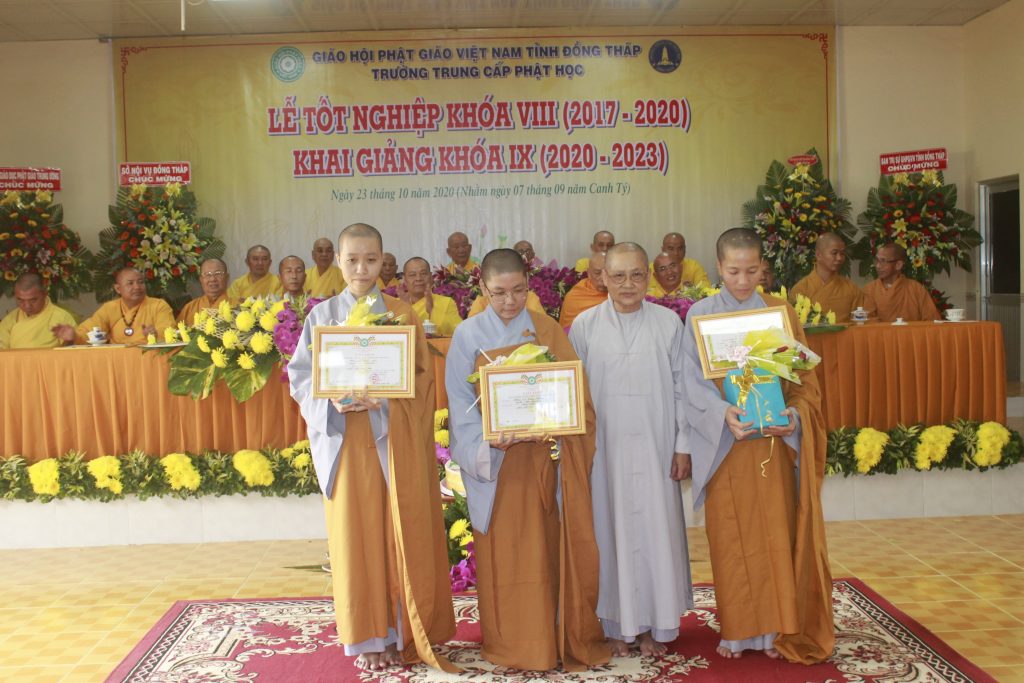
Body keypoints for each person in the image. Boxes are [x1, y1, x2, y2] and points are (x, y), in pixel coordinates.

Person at [288, 223, 456, 672]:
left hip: (392, 442)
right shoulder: (322, 317)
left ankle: (402, 631)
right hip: (347, 443)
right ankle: (366, 637)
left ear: (384, 261)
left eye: (370, 260)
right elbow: (300, 378)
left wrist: (388, 400)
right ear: (338, 262)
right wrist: (331, 400)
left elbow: (422, 381)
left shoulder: (402, 315)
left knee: (398, 534)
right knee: (356, 538)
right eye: (352, 260)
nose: (361, 270)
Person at [446, 248, 609, 671]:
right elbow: (460, 408)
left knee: (545, 554)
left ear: (529, 285)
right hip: (497, 468)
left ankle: (550, 639)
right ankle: (510, 644)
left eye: (518, 291)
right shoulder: (467, 336)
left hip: (544, 463)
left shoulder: (546, 329)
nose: (509, 301)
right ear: (482, 287)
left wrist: (556, 424)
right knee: (505, 558)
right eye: (499, 293)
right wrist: (489, 444)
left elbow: (578, 399)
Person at [681, 228, 834, 663]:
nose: (743, 281)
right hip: (727, 446)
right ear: (718, 267)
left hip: (772, 445)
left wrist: (794, 417)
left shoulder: (779, 314)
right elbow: (690, 383)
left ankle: (777, 628)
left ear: (763, 267)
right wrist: (721, 413)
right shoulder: (700, 316)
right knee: (732, 539)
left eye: (752, 271)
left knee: (774, 536)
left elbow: (804, 383)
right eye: (733, 271)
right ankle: (738, 631)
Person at [569, 243, 694, 657]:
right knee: (609, 534)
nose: (628, 284)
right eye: (618, 275)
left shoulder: (668, 323)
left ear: (648, 277)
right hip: (604, 453)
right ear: (603, 277)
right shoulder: (585, 326)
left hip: (658, 448)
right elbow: (574, 395)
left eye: (637, 275)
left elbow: (683, 387)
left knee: (657, 533)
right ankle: (614, 625)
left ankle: (657, 625)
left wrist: (682, 445)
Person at [54, 267, 175, 345]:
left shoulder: (158, 306)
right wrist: (74, 336)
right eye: (130, 283)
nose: (137, 287)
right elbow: (90, 330)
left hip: (148, 358)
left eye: (141, 282)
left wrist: (154, 335)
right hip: (117, 360)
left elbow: (169, 332)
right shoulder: (110, 308)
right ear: (118, 288)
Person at [790, 233, 863, 321]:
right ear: (818, 255)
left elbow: (860, 323)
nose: (839, 258)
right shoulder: (801, 289)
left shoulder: (851, 288)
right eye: (834, 253)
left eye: (842, 253)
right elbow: (795, 324)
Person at [861, 243, 941, 322]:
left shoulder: (916, 289)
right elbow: (867, 321)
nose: (878, 266)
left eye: (883, 261)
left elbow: (932, 321)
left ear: (898, 265)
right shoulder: (870, 290)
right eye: (877, 260)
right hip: (879, 331)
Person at [0, 273, 76, 349]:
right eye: (20, 300)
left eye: (33, 300)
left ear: (44, 294)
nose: (27, 306)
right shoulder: (9, 320)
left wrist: (69, 341)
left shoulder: (62, 317)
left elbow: (75, 352)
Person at [397, 257, 462, 336]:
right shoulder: (395, 304)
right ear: (404, 279)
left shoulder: (446, 303)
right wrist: (406, 308)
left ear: (431, 277)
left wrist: (432, 311)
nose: (418, 278)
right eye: (412, 275)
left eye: (423, 274)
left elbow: (459, 333)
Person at [559, 251, 608, 329]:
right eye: (597, 273)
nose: (603, 278)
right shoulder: (575, 296)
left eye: (607, 273)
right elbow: (567, 331)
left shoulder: (619, 293)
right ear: (589, 273)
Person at [177, 258, 231, 325]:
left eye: (217, 274)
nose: (212, 279)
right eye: (207, 274)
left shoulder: (238, 306)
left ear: (227, 277)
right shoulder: (189, 308)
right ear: (201, 280)